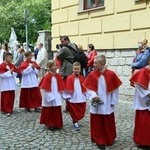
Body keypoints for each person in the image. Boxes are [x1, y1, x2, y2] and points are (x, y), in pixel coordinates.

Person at [83, 55, 122, 150]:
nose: (93, 64)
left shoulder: (111, 74)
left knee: (107, 118)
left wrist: (113, 101)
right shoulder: (92, 74)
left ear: (102, 64)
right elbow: (88, 88)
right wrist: (93, 96)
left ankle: (109, 137)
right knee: (97, 120)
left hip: (107, 101)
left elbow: (115, 89)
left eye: (95, 63)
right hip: (96, 101)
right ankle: (98, 138)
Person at [39, 60, 65, 131]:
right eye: (53, 66)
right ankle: (50, 124)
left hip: (56, 95)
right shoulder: (47, 76)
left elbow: (61, 87)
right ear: (49, 67)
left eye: (56, 65)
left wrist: (63, 95)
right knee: (49, 110)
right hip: (49, 96)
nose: (55, 67)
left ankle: (57, 123)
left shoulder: (58, 76)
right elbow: (45, 88)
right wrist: (50, 97)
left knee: (56, 109)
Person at [130, 63, 150, 149]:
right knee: (144, 121)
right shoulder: (143, 72)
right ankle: (143, 142)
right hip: (144, 101)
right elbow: (138, 84)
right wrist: (148, 94)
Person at [62, 62, 87, 131]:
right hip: (73, 97)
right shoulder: (69, 78)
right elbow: (66, 88)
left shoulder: (82, 78)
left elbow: (85, 88)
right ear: (72, 69)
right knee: (73, 110)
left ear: (80, 69)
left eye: (77, 69)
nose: (76, 70)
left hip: (81, 97)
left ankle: (77, 120)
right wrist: (67, 96)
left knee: (81, 109)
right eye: (75, 69)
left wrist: (86, 95)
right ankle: (75, 121)